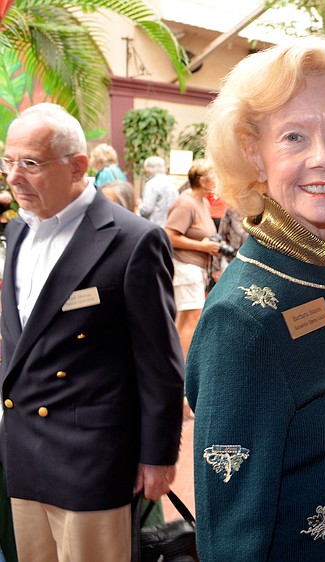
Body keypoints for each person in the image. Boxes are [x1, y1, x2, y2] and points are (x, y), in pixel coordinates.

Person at [184, 35, 325, 561]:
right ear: (254, 153)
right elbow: (231, 536)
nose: (323, 158)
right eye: (295, 137)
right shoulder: (241, 321)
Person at [0, 103, 184, 561]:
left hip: (90, 458)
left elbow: (159, 361)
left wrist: (158, 455)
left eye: (31, 163)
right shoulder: (19, 232)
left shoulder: (132, 239)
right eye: (8, 161)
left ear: (78, 166)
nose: (13, 177)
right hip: (24, 452)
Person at [164, 159, 219, 358]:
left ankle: (175, 367)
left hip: (196, 268)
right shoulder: (185, 203)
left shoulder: (202, 201)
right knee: (191, 318)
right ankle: (183, 373)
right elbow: (169, 236)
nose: (217, 180)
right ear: (203, 181)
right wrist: (202, 246)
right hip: (186, 267)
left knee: (187, 318)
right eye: (214, 176)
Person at [139, 156, 179, 227]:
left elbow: (147, 209)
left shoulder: (152, 184)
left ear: (149, 169)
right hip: (170, 225)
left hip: (155, 225)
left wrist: (139, 206)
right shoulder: (172, 183)